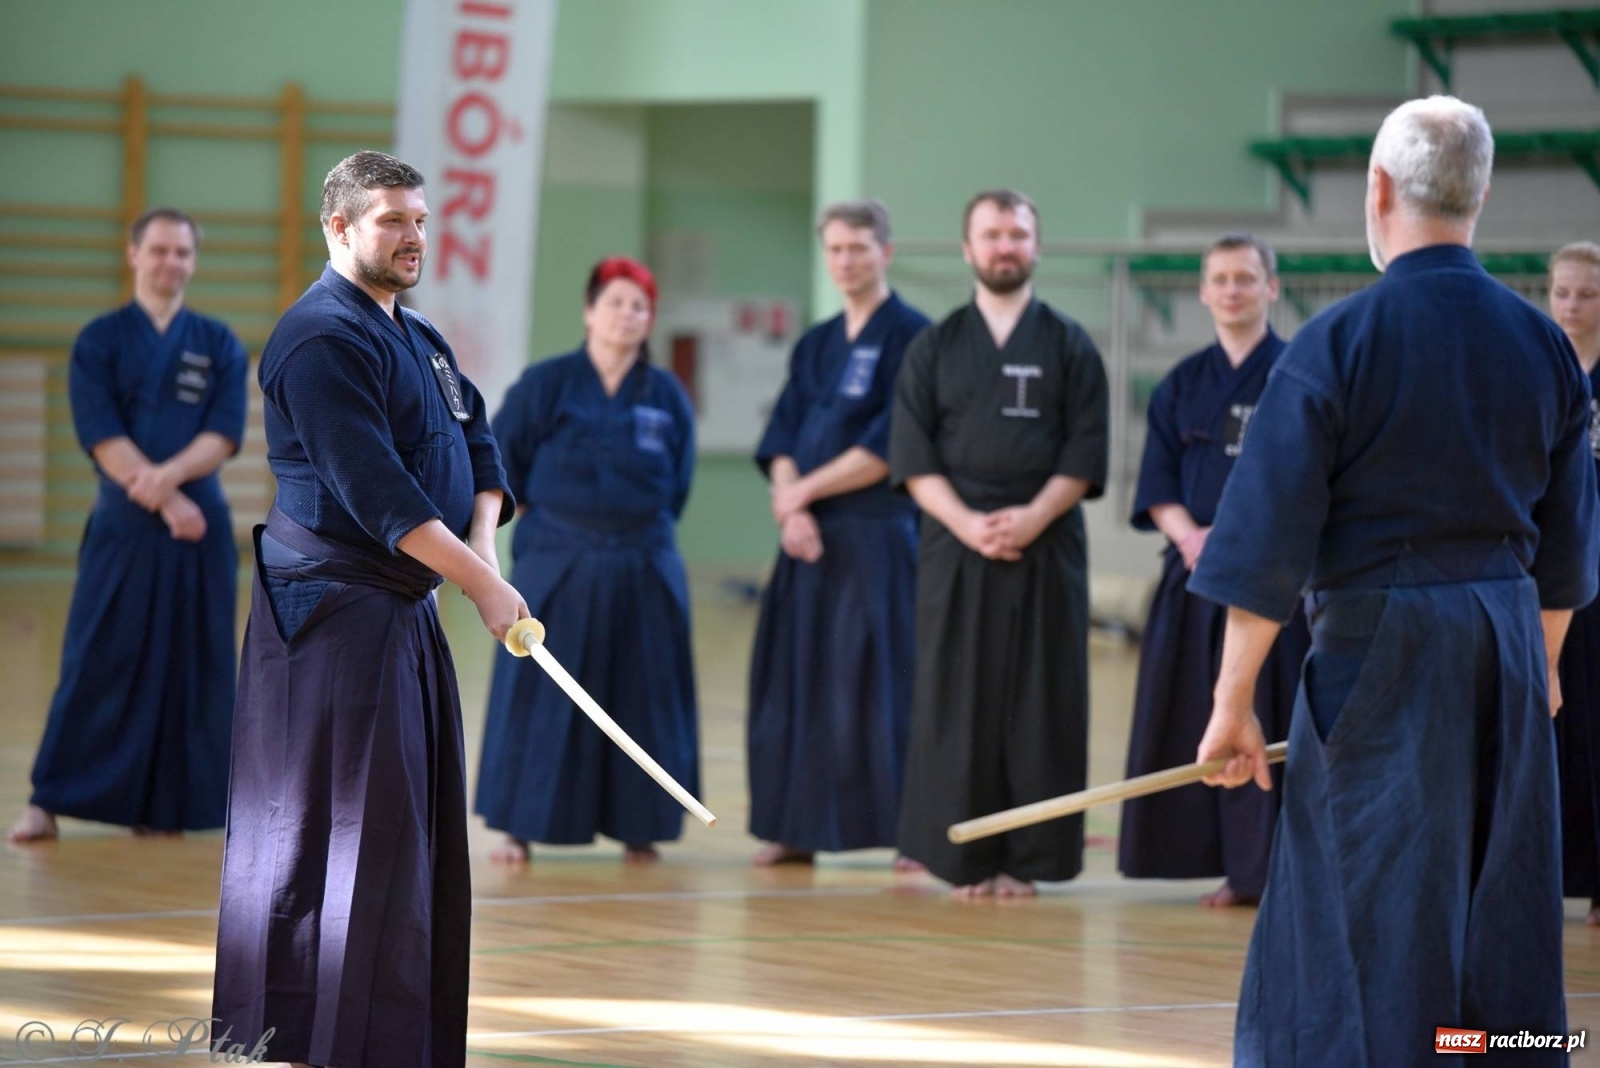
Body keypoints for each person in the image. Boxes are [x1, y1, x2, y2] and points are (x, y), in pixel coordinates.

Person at [1190, 97, 1599, 1066]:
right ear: (1480, 194)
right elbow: (1568, 540)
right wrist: (1535, 664)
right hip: (1503, 637)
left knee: (1364, 896)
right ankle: (1499, 1053)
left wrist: (1230, 703)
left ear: (1377, 191)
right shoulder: (1543, 344)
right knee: (1497, 892)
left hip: (1379, 646)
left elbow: (1266, 538)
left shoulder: (1336, 343)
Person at [211, 151, 526, 1068]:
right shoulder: (317, 340)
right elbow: (379, 493)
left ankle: (394, 1043)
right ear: (339, 228)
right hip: (330, 627)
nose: (415, 237)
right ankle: (302, 1043)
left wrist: (487, 559)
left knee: (402, 844)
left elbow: (480, 446)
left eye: (422, 220)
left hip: (400, 618)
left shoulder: (420, 334)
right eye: (393, 220)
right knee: (323, 841)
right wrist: (476, 582)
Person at [889, 189, 1109, 898]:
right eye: (991, 234)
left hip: (1046, 543)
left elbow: (1084, 451)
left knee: (1041, 701)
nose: (1005, 246)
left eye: (1017, 234)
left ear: (1036, 246)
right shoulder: (936, 346)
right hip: (956, 545)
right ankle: (961, 859)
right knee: (958, 699)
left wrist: (1031, 518)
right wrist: (968, 524)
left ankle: (1030, 859)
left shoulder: (1070, 344)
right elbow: (913, 456)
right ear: (968, 249)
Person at [8, 208, 247, 844]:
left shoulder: (217, 341)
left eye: (183, 254)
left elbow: (224, 435)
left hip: (202, 532)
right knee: (97, 658)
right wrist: (167, 500)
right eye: (161, 251)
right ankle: (47, 800)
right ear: (134, 255)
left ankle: (170, 809)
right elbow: (102, 434)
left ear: (194, 262)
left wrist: (169, 483)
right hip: (127, 527)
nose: (172, 263)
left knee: (197, 664)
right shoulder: (100, 340)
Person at [475, 256, 698, 865]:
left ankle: (641, 824)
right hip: (558, 560)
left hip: (643, 562)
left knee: (645, 691)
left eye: (640, 306)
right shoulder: (546, 384)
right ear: (589, 311)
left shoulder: (666, 395)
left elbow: (678, 484)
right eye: (616, 302)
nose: (628, 315)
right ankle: (520, 825)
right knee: (544, 692)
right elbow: (499, 466)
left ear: (650, 320)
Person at [1117, 234, 1309, 907]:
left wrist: (1244, 540)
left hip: (1272, 583)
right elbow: (1157, 482)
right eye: (1220, 279)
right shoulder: (1182, 384)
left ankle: (1268, 870)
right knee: (1195, 718)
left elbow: (1309, 478)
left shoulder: (1297, 372)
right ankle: (1214, 863)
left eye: (1246, 279)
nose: (1232, 290)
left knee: (1267, 718)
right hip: (1194, 570)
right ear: (1203, 292)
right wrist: (1192, 536)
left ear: (1271, 288)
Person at [746, 199, 930, 868]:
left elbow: (892, 445)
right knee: (797, 681)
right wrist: (792, 509)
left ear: (886, 251)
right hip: (806, 541)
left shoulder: (915, 337)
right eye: (835, 249)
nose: (846, 261)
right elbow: (785, 433)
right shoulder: (818, 342)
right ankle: (795, 825)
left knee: (879, 685)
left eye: (858, 247)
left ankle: (909, 831)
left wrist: (804, 493)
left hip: (878, 537)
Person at [1549, 241, 1600, 925]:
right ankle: (1552, 872)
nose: (1570, 305)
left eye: (1584, 294)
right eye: (1561, 291)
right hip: (1556, 576)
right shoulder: (1539, 367)